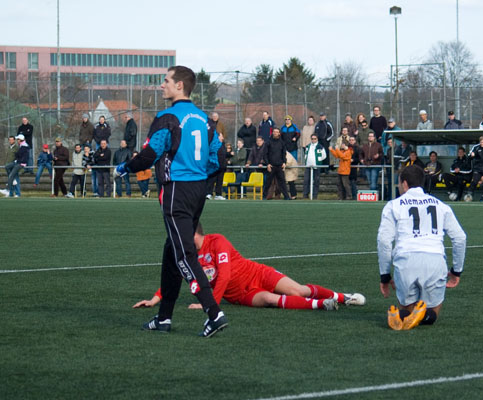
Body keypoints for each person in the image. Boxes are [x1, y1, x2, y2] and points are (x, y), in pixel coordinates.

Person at [114, 65, 228, 337]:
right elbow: (219, 159)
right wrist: (202, 180)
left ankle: (214, 314)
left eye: (166, 81)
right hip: (197, 190)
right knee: (172, 250)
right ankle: (164, 317)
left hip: (177, 189)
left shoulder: (167, 118)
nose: (161, 85)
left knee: (184, 254)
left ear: (180, 86)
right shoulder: (204, 119)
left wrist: (124, 168)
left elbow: (149, 155)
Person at [133, 225, 366, 311]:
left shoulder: (217, 241)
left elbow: (224, 275)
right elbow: (173, 276)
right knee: (270, 300)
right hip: (240, 295)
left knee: (299, 290)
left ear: (194, 234)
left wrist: (210, 302)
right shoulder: (186, 254)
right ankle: (322, 305)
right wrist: (154, 299)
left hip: (258, 273)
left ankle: (342, 297)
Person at [378, 165, 466, 330]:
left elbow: (384, 241)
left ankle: (401, 314)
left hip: (406, 260)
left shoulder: (393, 205)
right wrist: (456, 271)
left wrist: (384, 276)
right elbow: (460, 238)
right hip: (434, 260)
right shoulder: (441, 205)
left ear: (404, 183)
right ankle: (425, 315)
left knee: (407, 308)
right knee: (432, 314)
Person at [262, 128, 290, 200]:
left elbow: (284, 154)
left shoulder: (282, 143)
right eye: (274, 132)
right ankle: (264, 196)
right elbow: (265, 154)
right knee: (268, 182)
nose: (275, 133)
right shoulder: (268, 142)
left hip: (280, 166)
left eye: (277, 132)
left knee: (282, 182)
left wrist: (284, 163)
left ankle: (286, 196)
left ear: (279, 133)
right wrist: (267, 164)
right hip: (271, 166)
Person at [303, 134, 326, 199]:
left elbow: (324, 156)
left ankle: (314, 195)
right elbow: (305, 154)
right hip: (308, 166)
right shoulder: (308, 146)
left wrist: (318, 160)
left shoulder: (320, 146)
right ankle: (305, 195)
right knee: (306, 181)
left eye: (315, 139)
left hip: (317, 166)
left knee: (316, 181)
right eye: (312, 139)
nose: (313, 140)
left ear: (317, 139)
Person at [206, 132, 227, 200]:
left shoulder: (223, 144)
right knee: (211, 180)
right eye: (221, 136)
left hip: (222, 166)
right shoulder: (214, 144)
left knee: (220, 181)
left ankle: (218, 194)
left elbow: (224, 155)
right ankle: (209, 193)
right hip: (215, 166)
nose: (222, 137)